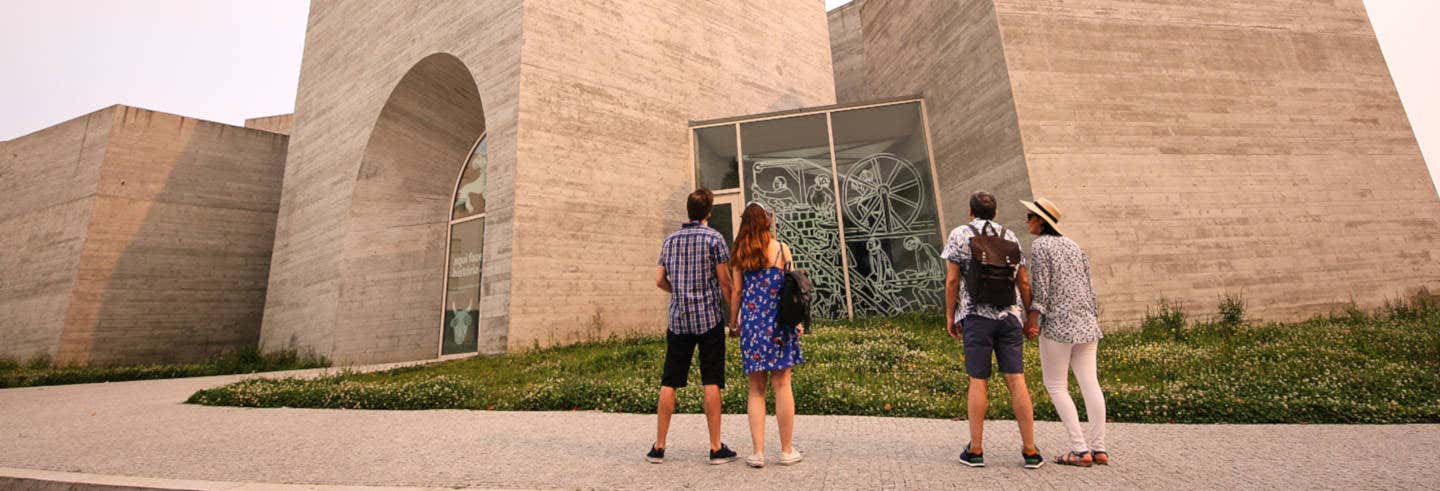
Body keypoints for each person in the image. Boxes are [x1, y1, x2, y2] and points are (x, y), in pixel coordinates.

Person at [940, 190, 1044, 469]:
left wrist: (951, 316)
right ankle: (1031, 451)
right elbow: (1023, 282)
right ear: (996, 213)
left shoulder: (960, 235)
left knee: (978, 380)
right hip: (1009, 316)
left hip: (976, 317)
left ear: (970, 212)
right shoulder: (1009, 236)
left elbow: (952, 281)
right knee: (1016, 379)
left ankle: (976, 450)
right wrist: (1028, 318)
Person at [648, 189, 739, 465]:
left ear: (689, 210)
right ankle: (715, 447)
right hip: (709, 319)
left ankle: (659, 447)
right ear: (708, 212)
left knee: (670, 380)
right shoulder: (714, 239)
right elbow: (724, 282)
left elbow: (659, 280)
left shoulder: (670, 240)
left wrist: (678, 291)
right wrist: (733, 318)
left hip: (679, 321)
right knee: (711, 379)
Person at [1021, 198, 1109, 467]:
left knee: (1056, 385)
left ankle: (1079, 449)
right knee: (1089, 383)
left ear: (1040, 221)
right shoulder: (1074, 245)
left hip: (1058, 325)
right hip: (1086, 322)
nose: (1027, 221)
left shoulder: (1041, 246)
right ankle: (1099, 448)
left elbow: (1042, 289)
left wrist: (1033, 320)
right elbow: (1089, 286)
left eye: (1029, 216)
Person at [729, 202, 805, 468]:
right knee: (782, 384)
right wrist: (798, 322)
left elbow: (737, 292)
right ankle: (786, 451)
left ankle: (758, 453)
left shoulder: (739, 251)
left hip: (752, 325)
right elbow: (792, 288)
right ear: (767, 221)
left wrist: (733, 322)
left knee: (756, 389)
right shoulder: (782, 249)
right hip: (779, 324)